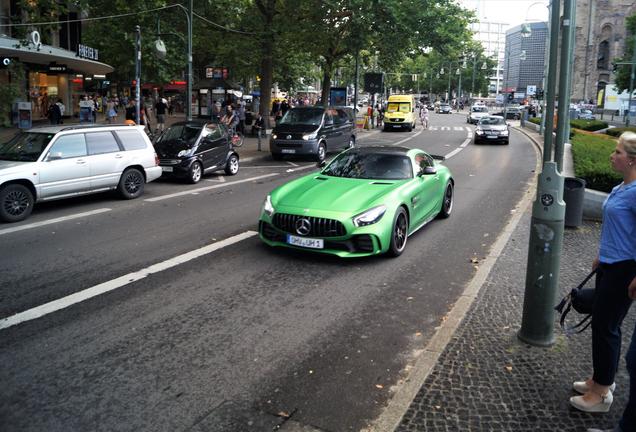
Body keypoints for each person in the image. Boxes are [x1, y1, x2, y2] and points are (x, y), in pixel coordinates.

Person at [571, 132, 636, 424]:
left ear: (632, 160)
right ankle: (600, 381)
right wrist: (601, 254)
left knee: (606, 328)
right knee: (603, 325)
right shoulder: (622, 187)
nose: (613, 155)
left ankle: (600, 396)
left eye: (618, 152)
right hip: (610, 265)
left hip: (624, 270)